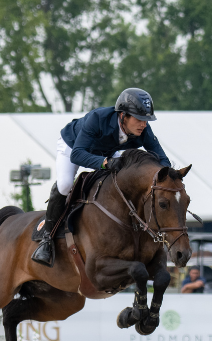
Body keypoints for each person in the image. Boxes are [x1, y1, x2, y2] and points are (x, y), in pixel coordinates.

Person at [31, 88, 171, 267]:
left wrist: (170, 174)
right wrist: (105, 163)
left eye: (146, 120)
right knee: (65, 185)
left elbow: (159, 156)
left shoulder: (142, 129)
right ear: (123, 116)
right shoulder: (97, 119)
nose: (143, 124)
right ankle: (47, 239)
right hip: (73, 146)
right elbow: (78, 155)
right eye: (139, 119)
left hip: (106, 151)